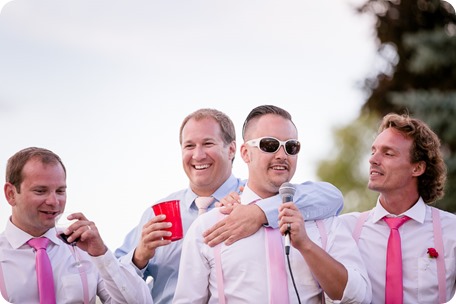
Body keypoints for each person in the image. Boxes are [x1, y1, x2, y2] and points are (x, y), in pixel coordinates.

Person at [115, 108, 345, 304]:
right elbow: (111, 287)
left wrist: (260, 212)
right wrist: (139, 257)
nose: (198, 154)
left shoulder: (258, 194)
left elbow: (331, 197)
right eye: (189, 146)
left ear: (233, 150)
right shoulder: (158, 214)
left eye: (208, 143)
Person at [173, 105, 371, 303]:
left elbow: (359, 296)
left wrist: (307, 246)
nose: (282, 155)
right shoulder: (208, 226)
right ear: (245, 153)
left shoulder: (323, 221)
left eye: (291, 147)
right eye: (270, 145)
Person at [0, 147, 153, 304]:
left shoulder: (83, 245)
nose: (54, 202)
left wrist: (101, 254)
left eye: (60, 191)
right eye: (40, 191)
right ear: (10, 194)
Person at [340, 113, 456, 303]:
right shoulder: (346, 229)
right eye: (373, 151)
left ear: (417, 168)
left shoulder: (451, 230)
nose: (373, 159)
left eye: (388, 153)